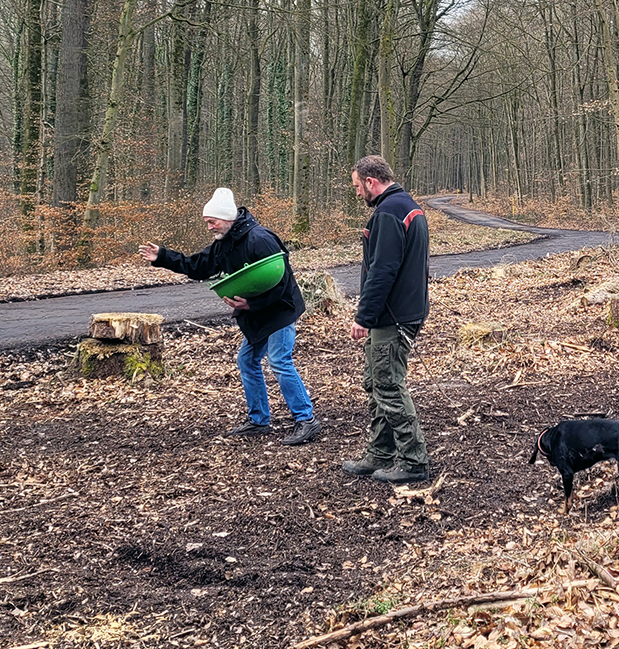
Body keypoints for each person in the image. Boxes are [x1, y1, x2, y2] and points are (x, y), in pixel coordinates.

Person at [138, 187, 322, 445]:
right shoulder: (222, 244)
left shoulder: (260, 238)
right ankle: (259, 421)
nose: (209, 226)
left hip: (280, 310)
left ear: (227, 218)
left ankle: (306, 419)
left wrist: (252, 303)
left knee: (279, 361)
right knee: (247, 361)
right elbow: (197, 267)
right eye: (207, 222)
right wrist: (163, 257)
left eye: (212, 221)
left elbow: (282, 282)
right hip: (256, 313)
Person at [340, 156, 431, 485]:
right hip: (398, 313)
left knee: (389, 386)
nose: (357, 193)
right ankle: (379, 452)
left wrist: (363, 316)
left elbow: (383, 271)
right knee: (376, 383)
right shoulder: (407, 207)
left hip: (392, 317)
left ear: (370, 181)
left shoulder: (390, 213)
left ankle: (413, 460)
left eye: (356, 186)